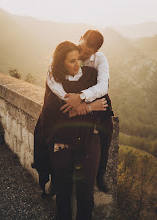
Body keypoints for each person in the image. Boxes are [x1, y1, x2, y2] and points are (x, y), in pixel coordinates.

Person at [34, 41, 113, 220]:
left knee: (86, 197)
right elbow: (53, 114)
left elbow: (105, 107)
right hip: (61, 145)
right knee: (63, 196)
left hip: (88, 144)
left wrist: (81, 105)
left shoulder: (91, 75)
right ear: (61, 63)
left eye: (78, 59)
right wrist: (90, 107)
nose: (77, 64)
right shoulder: (55, 83)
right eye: (71, 61)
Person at [47, 30, 113, 192]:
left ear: (95, 52)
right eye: (81, 48)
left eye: (86, 53)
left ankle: (100, 174)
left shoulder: (100, 59)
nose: (82, 54)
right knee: (47, 128)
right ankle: (53, 176)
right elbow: (51, 78)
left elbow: (103, 86)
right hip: (67, 99)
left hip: (92, 99)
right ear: (80, 39)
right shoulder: (68, 51)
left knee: (106, 131)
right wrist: (69, 99)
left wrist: (82, 98)